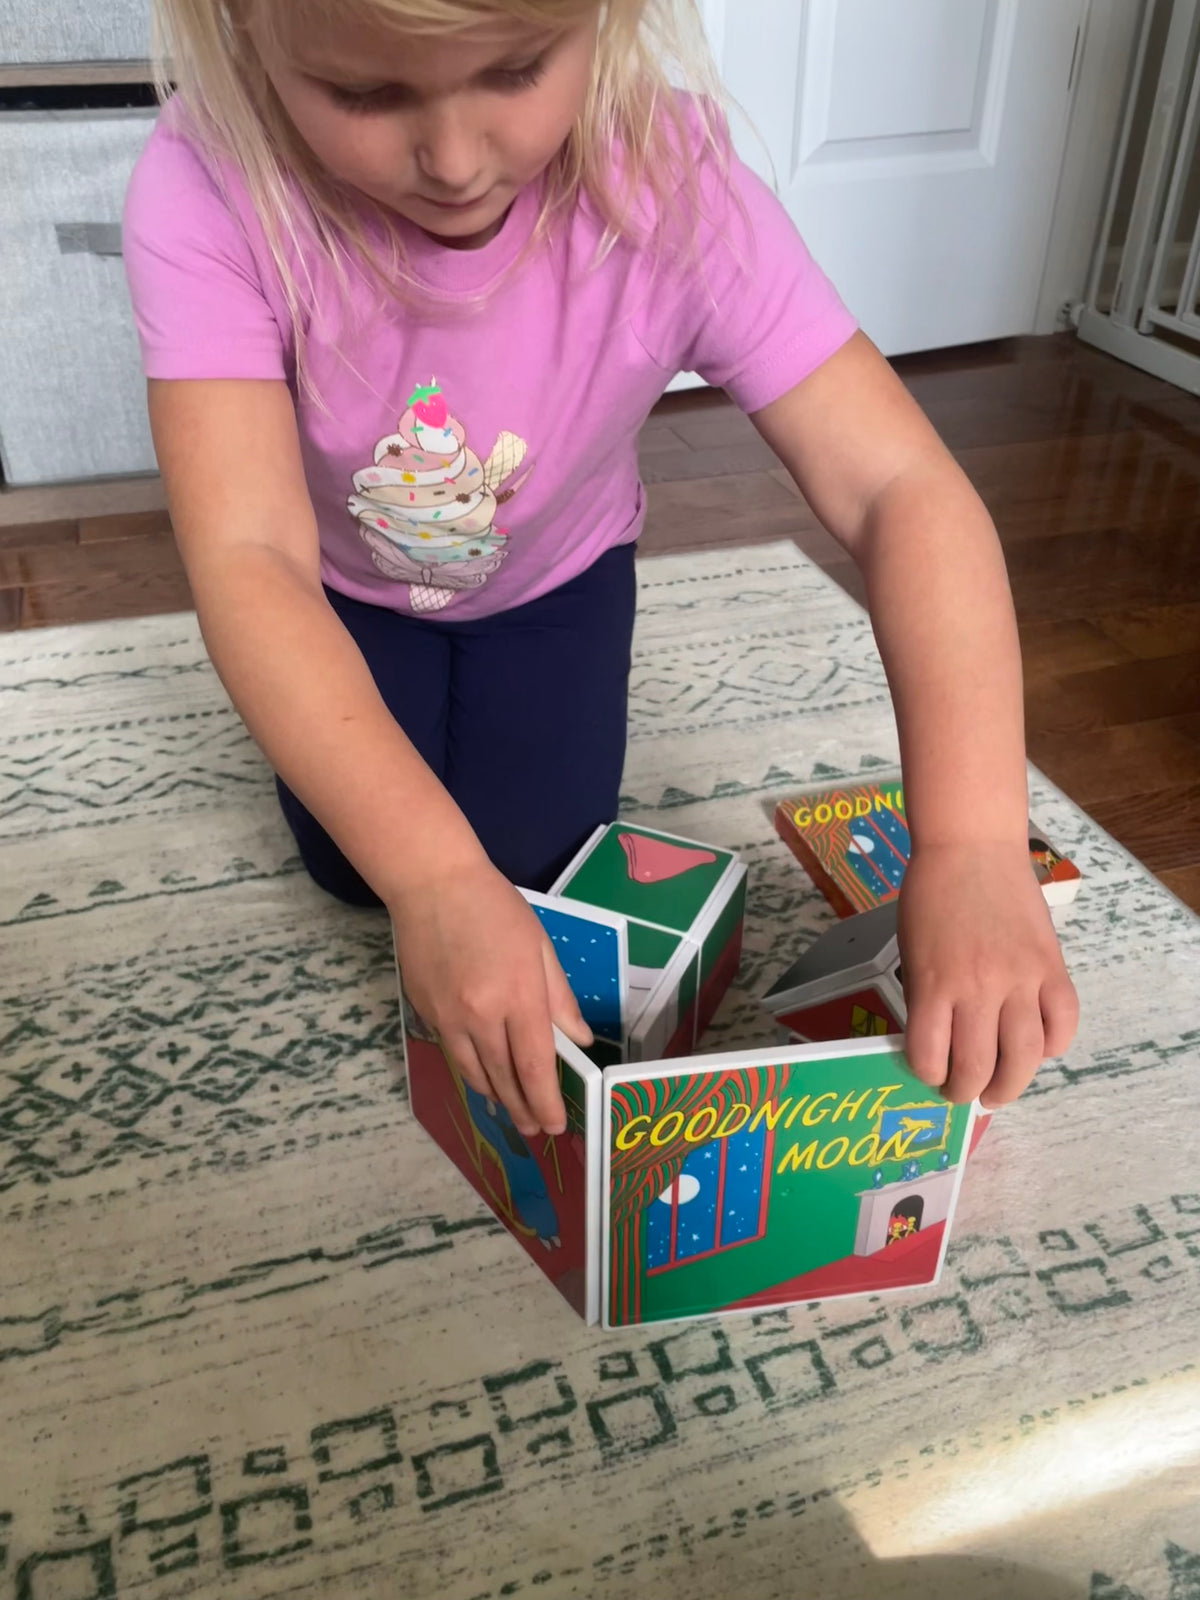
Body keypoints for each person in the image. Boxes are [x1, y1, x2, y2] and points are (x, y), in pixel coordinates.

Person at [124, 0, 1078, 1144]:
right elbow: (248, 556)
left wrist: (974, 843)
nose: (454, 159)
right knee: (363, 874)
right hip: (342, 591)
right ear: (238, 31)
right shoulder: (205, 178)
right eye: (368, 95)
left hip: (559, 584)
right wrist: (429, 880)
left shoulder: (671, 178)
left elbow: (900, 488)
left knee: (540, 879)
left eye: (517, 69)